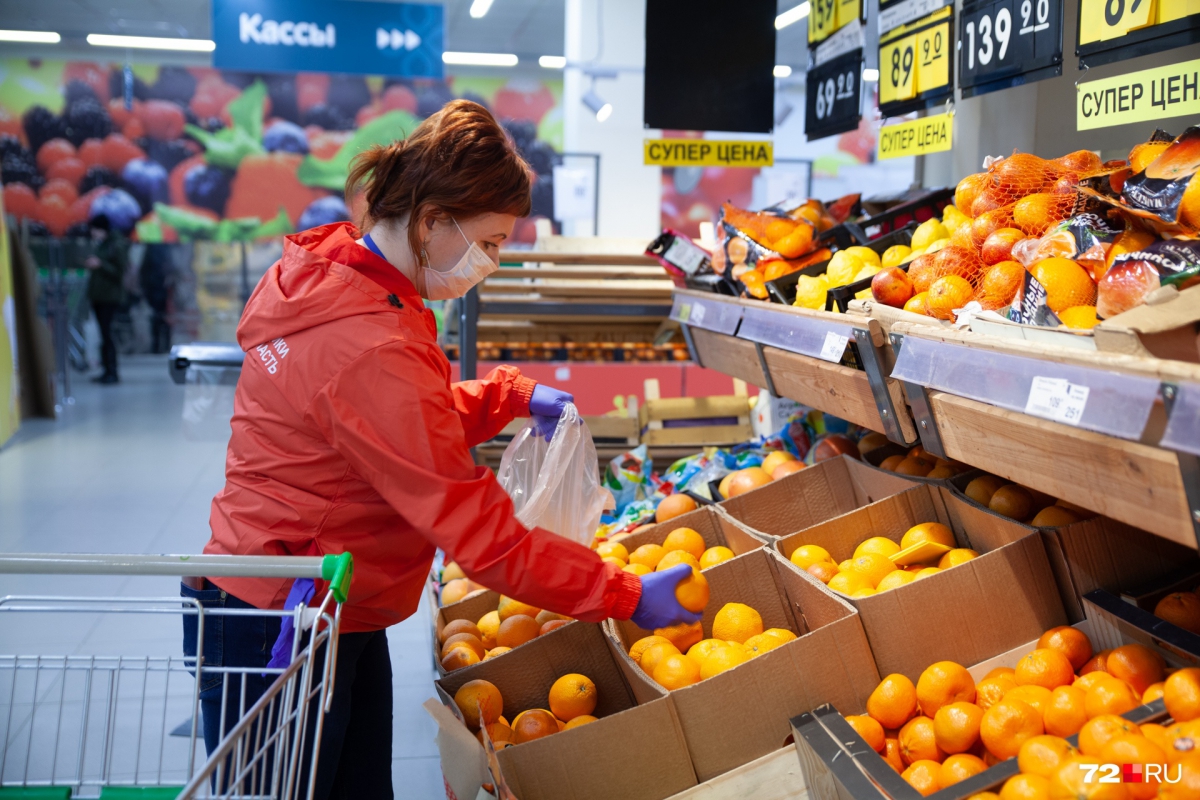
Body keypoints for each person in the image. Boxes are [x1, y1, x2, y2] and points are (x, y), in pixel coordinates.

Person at [188, 100, 699, 799]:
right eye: (489, 241)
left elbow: (386, 428)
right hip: (282, 621)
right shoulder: (369, 341)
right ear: (433, 222)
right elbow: (481, 537)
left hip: (330, 601)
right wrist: (623, 592)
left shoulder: (341, 281)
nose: (490, 260)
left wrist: (506, 397)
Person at [84, 215, 128, 384]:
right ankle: (106, 370)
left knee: (107, 334)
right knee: (103, 335)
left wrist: (100, 264)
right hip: (99, 296)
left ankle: (112, 371)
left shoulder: (116, 245)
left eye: (95, 229)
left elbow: (119, 272)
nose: (92, 233)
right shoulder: (103, 245)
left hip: (110, 297)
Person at [140, 243, 173, 354]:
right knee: (160, 317)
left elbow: (144, 271)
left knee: (158, 318)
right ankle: (162, 345)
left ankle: (159, 345)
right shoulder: (162, 248)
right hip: (158, 289)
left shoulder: (154, 249)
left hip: (156, 289)